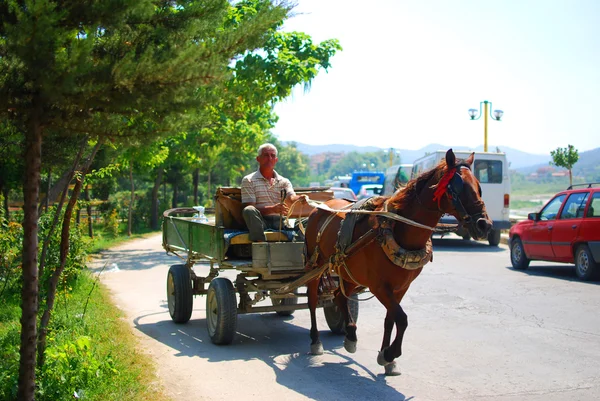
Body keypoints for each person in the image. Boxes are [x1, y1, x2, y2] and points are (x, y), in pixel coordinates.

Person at [241, 143, 308, 242]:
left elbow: (291, 198)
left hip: (282, 222)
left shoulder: (284, 181)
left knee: (311, 220)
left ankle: (301, 248)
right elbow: (250, 206)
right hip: (261, 222)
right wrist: (273, 209)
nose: (269, 158)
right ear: (258, 159)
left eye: (272, 156)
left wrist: (300, 198)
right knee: (248, 210)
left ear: (276, 160)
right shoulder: (249, 180)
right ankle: (260, 245)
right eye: (266, 155)